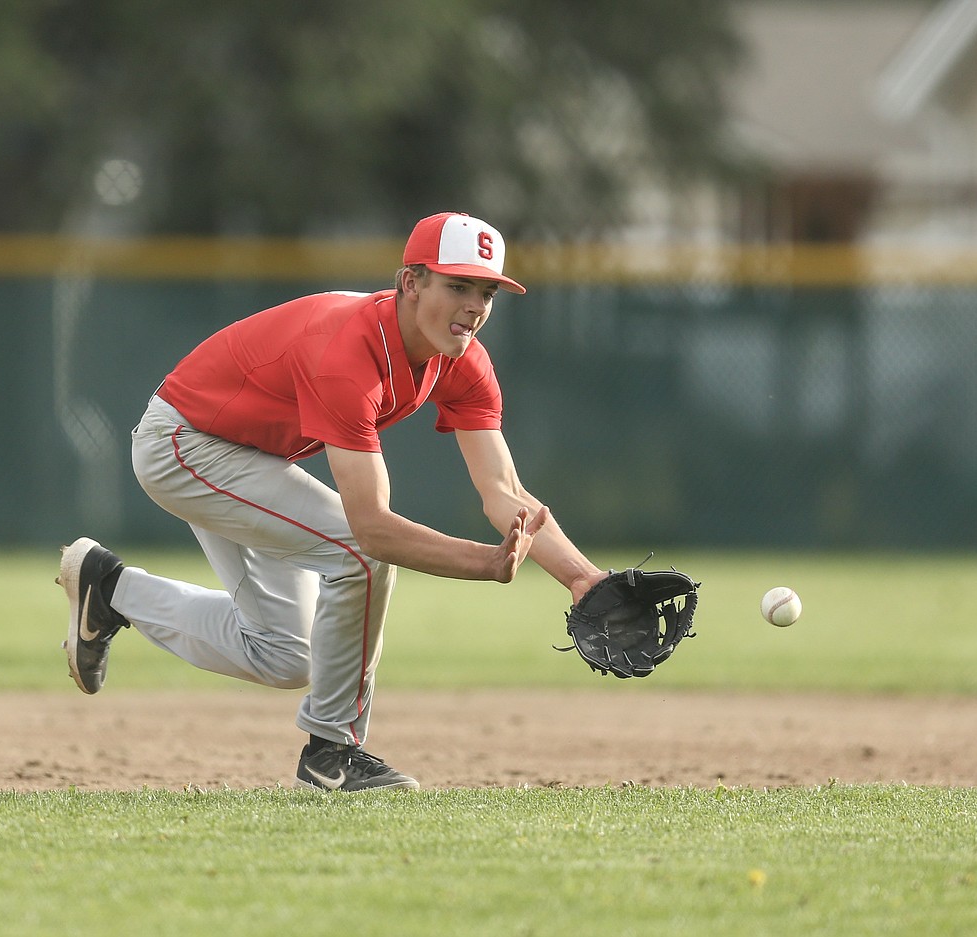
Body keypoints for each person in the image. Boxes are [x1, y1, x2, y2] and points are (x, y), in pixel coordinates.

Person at [58, 211, 609, 792]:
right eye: (457, 285)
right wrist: (483, 564)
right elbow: (370, 529)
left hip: (253, 458)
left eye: (486, 290)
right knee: (355, 552)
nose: (474, 305)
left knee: (286, 656)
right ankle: (333, 751)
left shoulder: (463, 360)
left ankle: (110, 588)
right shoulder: (347, 352)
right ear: (410, 282)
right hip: (185, 443)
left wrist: (582, 579)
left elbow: (505, 493)